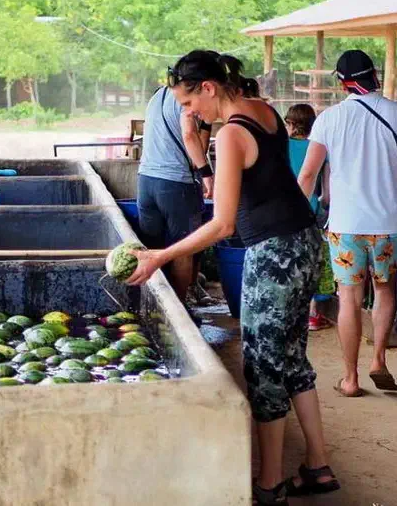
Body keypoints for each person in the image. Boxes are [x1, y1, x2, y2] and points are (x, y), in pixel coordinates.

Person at [127, 50, 339, 506]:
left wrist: (162, 253)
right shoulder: (263, 110)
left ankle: (268, 484)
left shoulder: (230, 136)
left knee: (263, 368)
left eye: (187, 102)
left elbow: (222, 224)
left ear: (207, 87)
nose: (189, 114)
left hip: (274, 253)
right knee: (292, 358)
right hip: (305, 242)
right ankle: (318, 466)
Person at [298, 49, 397, 397]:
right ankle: (379, 359)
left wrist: (294, 214)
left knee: (349, 297)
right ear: (373, 76)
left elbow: (308, 174)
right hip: (389, 224)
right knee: (384, 291)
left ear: (342, 83)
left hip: (346, 225)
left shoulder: (329, 119)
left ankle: (350, 378)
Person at [136, 82, 214, 302]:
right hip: (176, 183)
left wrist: (206, 123)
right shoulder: (186, 98)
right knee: (183, 249)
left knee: (152, 248)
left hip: (146, 181)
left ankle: (154, 305)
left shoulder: (155, 97)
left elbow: (193, 142)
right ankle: (180, 310)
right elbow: (190, 136)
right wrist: (207, 173)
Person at [285, 104, 334, 331]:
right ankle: (313, 315)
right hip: (312, 210)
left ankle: (289, 313)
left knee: (288, 259)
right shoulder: (319, 148)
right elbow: (327, 190)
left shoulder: (281, 147)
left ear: (292, 124)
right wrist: (324, 207)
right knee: (312, 260)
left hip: (285, 210)